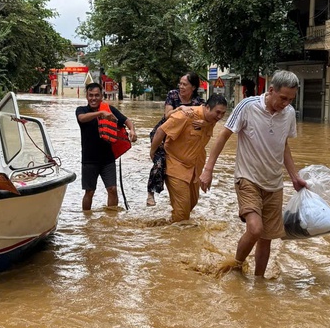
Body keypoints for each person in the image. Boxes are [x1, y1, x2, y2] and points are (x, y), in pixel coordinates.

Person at [199, 70, 308, 277]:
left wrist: (294, 177)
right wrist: (208, 169)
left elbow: (283, 145)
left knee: (266, 237)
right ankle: (237, 265)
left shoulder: (289, 113)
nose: (286, 103)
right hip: (247, 178)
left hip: (274, 183)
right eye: (283, 98)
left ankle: (259, 282)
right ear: (271, 90)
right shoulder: (248, 106)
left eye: (291, 99)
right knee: (256, 229)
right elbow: (223, 136)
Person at [150, 93, 228, 222]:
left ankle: (166, 228)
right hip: (176, 164)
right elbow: (161, 131)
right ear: (207, 107)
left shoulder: (211, 120)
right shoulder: (186, 115)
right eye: (218, 112)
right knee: (182, 212)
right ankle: (178, 240)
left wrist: (207, 125)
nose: (220, 117)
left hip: (195, 168)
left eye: (223, 114)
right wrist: (153, 152)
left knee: (192, 203)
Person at [76, 82, 137, 211]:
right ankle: (86, 219)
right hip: (89, 160)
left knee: (112, 189)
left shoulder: (110, 110)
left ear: (101, 96)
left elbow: (127, 121)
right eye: (91, 95)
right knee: (89, 192)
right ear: (86, 96)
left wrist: (132, 130)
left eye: (96, 95)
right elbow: (82, 119)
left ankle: (111, 220)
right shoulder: (81, 110)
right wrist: (100, 114)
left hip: (108, 159)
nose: (93, 98)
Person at [146, 72, 204, 207]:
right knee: (160, 162)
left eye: (185, 84)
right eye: (180, 83)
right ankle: (151, 192)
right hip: (162, 134)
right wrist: (181, 108)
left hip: (180, 139)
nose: (181, 87)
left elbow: (206, 118)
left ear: (193, 87)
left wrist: (204, 123)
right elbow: (167, 116)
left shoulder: (199, 102)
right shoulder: (173, 94)